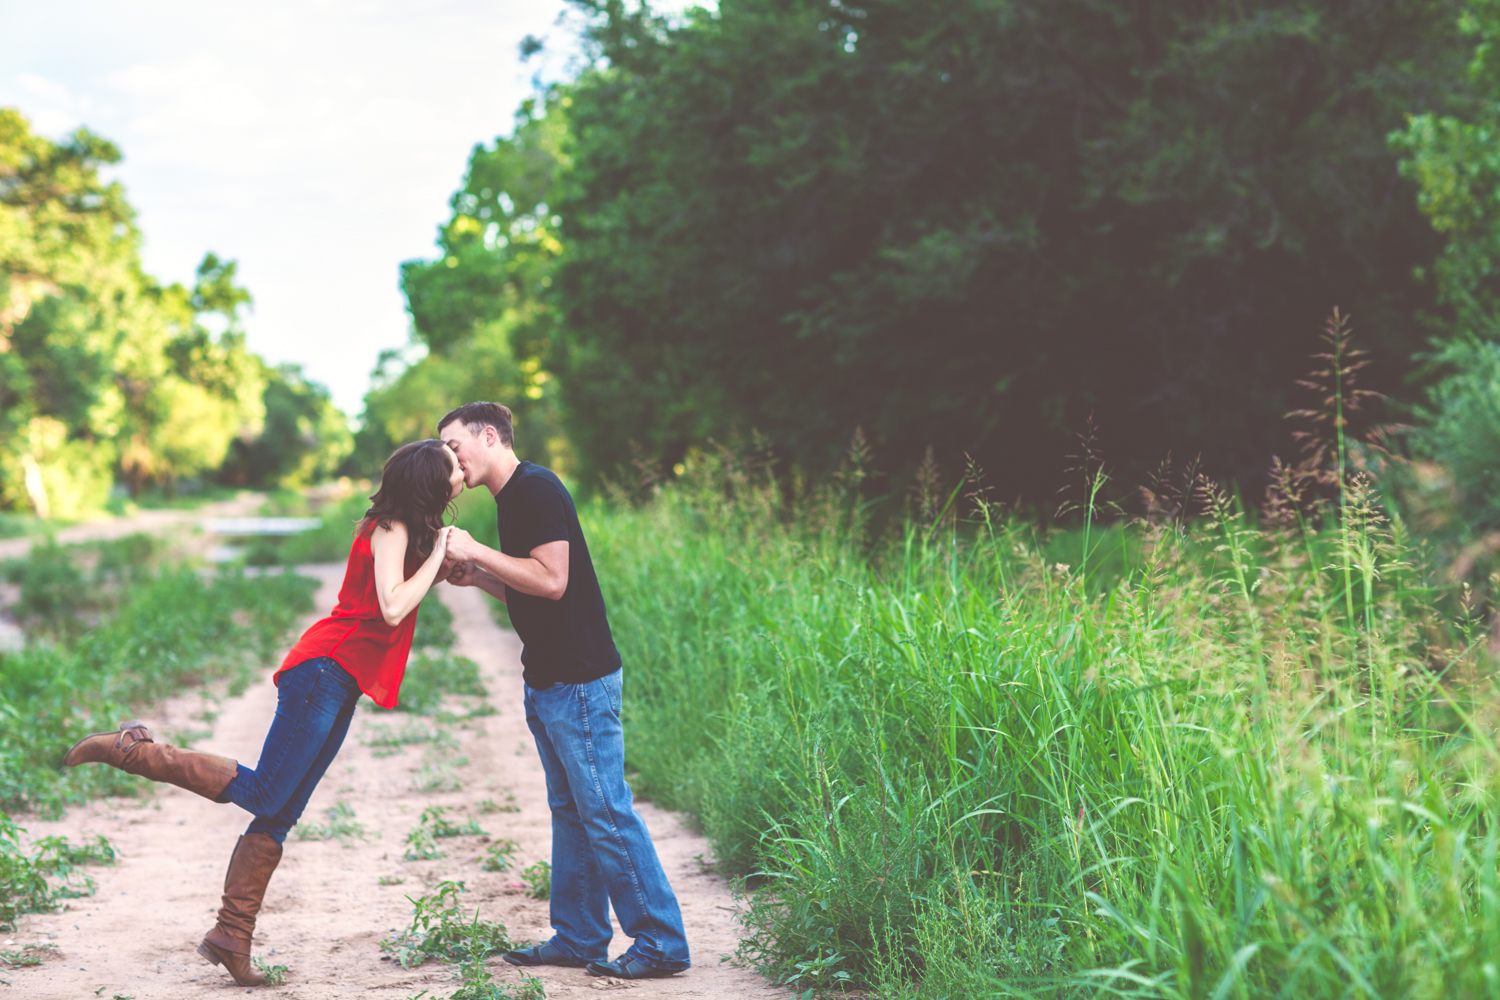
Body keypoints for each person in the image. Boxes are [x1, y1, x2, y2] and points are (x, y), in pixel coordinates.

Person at [61, 439, 465, 987]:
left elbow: (397, 597)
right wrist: (441, 556)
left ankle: (231, 936)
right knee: (268, 793)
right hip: (323, 670)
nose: (461, 467)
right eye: (452, 463)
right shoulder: (391, 527)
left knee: (282, 809)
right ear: (429, 480)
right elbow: (393, 605)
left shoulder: (411, 533)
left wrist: (452, 562)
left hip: (342, 680)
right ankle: (133, 750)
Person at [438, 401, 690, 981]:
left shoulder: (535, 490)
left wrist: (475, 551)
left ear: (490, 436)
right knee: (572, 813)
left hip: (579, 680)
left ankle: (661, 942)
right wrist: (479, 577)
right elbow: (530, 587)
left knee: (604, 811)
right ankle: (579, 936)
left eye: (456, 446)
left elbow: (553, 581)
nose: (452, 461)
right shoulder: (512, 500)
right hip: (549, 680)